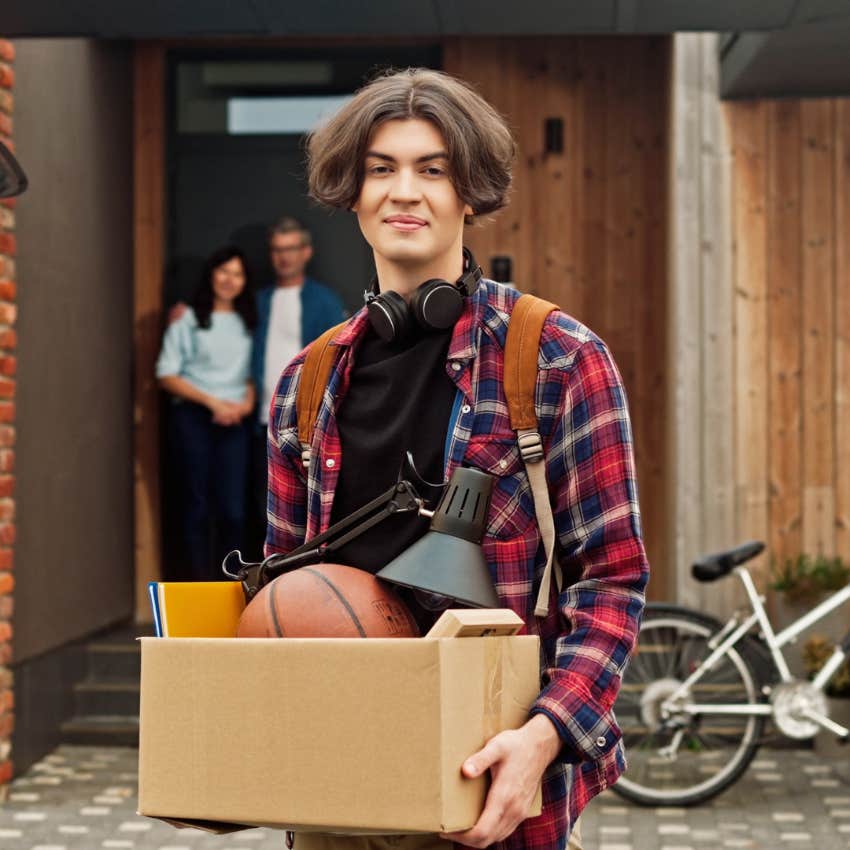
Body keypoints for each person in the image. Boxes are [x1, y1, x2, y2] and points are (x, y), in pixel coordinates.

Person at [265, 69, 649, 850]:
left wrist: (544, 736)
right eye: (382, 168)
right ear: (352, 192)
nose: (405, 192)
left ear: (469, 191)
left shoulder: (555, 360)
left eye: (432, 169)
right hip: (336, 785)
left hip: (496, 784)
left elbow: (611, 579)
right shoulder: (303, 385)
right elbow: (281, 583)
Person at [246, 217, 345, 557]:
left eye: (290, 249)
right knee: (257, 509)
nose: (283, 257)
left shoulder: (325, 302)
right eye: (277, 250)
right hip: (255, 420)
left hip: (305, 423)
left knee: (300, 513)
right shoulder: (257, 300)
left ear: (306, 252)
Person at [157, 245, 256, 580]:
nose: (230, 280)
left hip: (236, 421)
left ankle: (230, 586)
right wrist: (212, 403)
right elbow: (166, 374)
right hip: (194, 418)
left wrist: (244, 404)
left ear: (245, 281)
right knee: (196, 507)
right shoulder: (188, 318)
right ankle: (198, 585)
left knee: (233, 512)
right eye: (224, 271)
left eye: (237, 274)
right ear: (212, 274)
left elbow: (250, 374)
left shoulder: (250, 320)